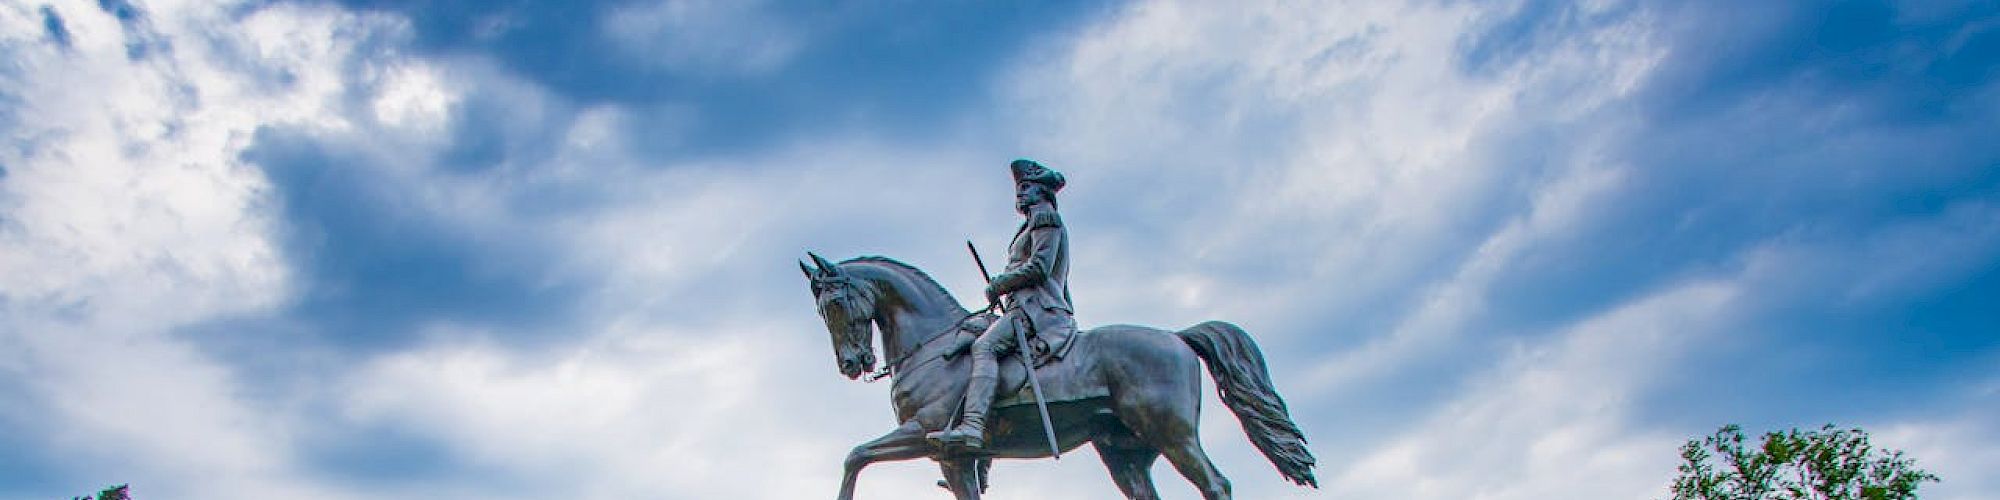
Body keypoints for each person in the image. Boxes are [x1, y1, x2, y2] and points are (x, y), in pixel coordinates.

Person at [928, 159, 1077, 451]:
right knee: (971, 332)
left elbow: (1040, 267)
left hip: (1039, 311)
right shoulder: (1031, 223)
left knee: (984, 347)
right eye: (1018, 189)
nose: (1020, 194)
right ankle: (981, 460)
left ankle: (972, 427)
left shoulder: (1045, 218)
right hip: (1023, 307)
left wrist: (1001, 283)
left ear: (1042, 192)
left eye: (1026, 188)